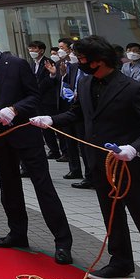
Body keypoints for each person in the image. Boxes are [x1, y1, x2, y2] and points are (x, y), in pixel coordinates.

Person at [31, 35, 140, 279]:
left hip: (131, 168)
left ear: (99, 61)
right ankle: (121, 263)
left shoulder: (132, 88)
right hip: (99, 164)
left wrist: (135, 149)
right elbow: (77, 112)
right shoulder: (85, 83)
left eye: (83, 59)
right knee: (111, 218)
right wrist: (51, 119)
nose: (79, 63)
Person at [0, 28, 72, 265]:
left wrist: (14, 109)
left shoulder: (16, 63)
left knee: (43, 186)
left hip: (24, 134)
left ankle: (62, 241)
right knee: (9, 186)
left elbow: (33, 96)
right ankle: (17, 233)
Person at [48, 37, 92, 187]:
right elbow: (65, 84)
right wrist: (61, 75)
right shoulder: (68, 66)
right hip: (68, 107)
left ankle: (90, 175)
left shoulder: (88, 68)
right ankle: (75, 169)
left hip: (83, 109)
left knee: (83, 142)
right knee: (69, 139)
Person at [27, 41, 61, 160]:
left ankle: (61, 150)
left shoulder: (48, 62)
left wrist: (37, 90)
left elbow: (50, 80)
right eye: (30, 48)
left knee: (53, 125)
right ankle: (53, 149)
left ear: (41, 50)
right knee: (43, 126)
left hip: (48, 99)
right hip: (38, 100)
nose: (31, 51)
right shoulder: (32, 63)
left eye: (34, 48)